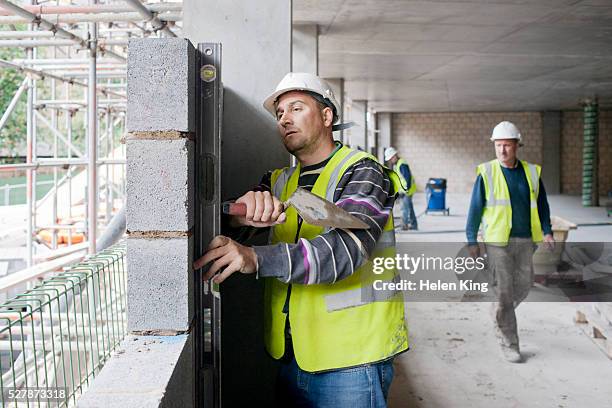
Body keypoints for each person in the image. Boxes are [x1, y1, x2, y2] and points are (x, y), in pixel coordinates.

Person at [194, 72, 408, 406]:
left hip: (353, 360)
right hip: (292, 354)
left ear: (327, 116)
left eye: (296, 108)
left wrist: (256, 258)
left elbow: (345, 251)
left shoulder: (364, 172)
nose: (285, 119)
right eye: (280, 113)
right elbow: (234, 230)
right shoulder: (278, 181)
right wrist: (235, 216)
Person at [466, 120, 554, 363]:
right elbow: (475, 207)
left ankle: (499, 312)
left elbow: (543, 205)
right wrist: (471, 238)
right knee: (505, 291)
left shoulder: (532, 172)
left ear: (517, 146)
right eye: (498, 145)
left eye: (507, 145)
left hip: (525, 240)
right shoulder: (487, 172)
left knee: (523, 287)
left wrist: (547, 231)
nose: (502, 150)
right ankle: (510, 343)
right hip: (497, 242)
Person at [384, 147, 417, 230]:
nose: (390, 161)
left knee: (405, 208)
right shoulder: (397, 164)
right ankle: (414, 225)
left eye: (391, 158)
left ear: (394, 156)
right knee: (409, 207)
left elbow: (407, 177)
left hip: (407, 190)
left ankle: (404, 225)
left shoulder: (401, 164)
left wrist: (406, 190)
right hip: (405, 190)